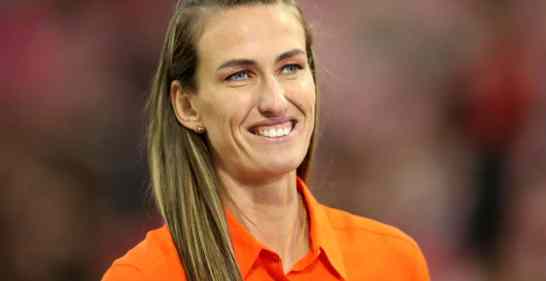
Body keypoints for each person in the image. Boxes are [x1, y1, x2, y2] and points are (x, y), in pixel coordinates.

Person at [101, 1, 430, 280]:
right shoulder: (143, 274)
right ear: (187, 106)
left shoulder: (393, 260)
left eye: (290, 67)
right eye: (240, 75)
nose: (275, 101)